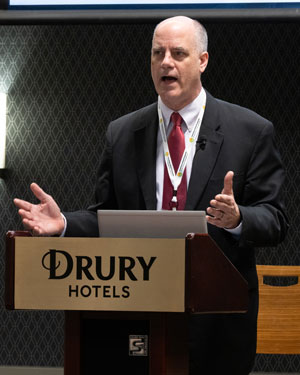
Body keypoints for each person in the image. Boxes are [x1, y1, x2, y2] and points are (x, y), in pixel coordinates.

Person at [14, 16, 288, 375]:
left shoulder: (250, 131)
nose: (165, 63)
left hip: (218, 322)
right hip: (138, 314)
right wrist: (63, 222)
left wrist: (239, 219)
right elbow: (107, 217)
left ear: (202, 61)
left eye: (178, 53)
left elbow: (276, 220)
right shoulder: (123, 132)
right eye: (158, 53)